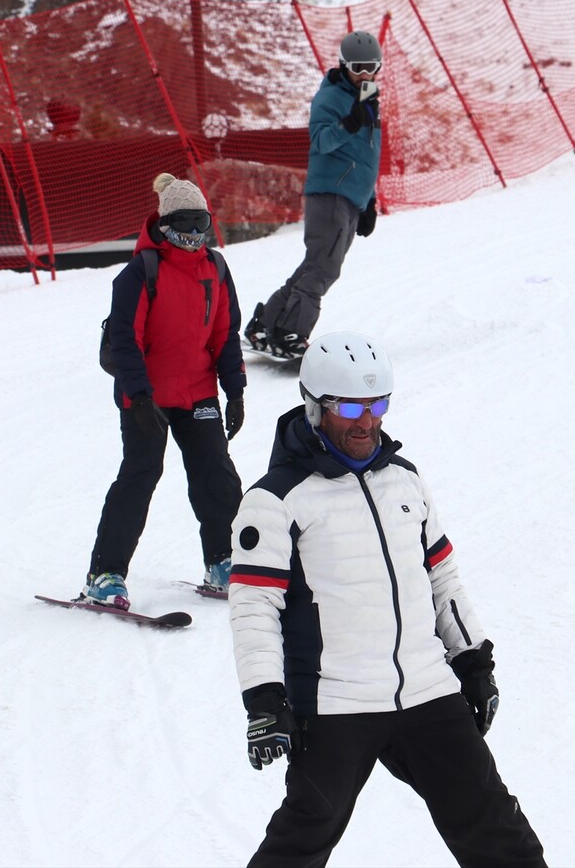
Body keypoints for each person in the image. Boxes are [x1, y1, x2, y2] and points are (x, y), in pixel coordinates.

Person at [228, 331, 547, 868]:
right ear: (315, 407)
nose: (366, 421)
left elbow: (441, 579)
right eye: (351, 406)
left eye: (378, 404)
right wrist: (265, 701)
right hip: (335, 704)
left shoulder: (405, 481)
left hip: (428, 691)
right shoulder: (275, 500)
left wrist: (473, 660)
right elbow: (255, 607)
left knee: (496, 828)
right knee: (302, 840)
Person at [81, 172, 247, 609]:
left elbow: (226, 335)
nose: (195, 234)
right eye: (187, 223)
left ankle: (224, 561)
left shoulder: (216, 268)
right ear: (167, 222)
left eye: (203, 223)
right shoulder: (139, 273)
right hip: (147, 398)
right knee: (140, 475)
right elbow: (125, 339)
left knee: (217, 474)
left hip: (198, 392)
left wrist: (236, 391)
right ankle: (105, 573)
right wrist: (139, 396)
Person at [243, 31, 383, 359]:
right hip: (329, 193)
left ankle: (267, 324)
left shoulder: (368, 100)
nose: (365, 74)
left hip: (350, 196)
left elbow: (367, 154)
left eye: (372, 67)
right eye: (358, 67)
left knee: (315, 263)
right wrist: (348, 124)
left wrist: (369, 200)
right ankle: (292, 332)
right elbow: (320, 142)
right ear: (344, 65)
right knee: (324, 268)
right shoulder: (330, 98)